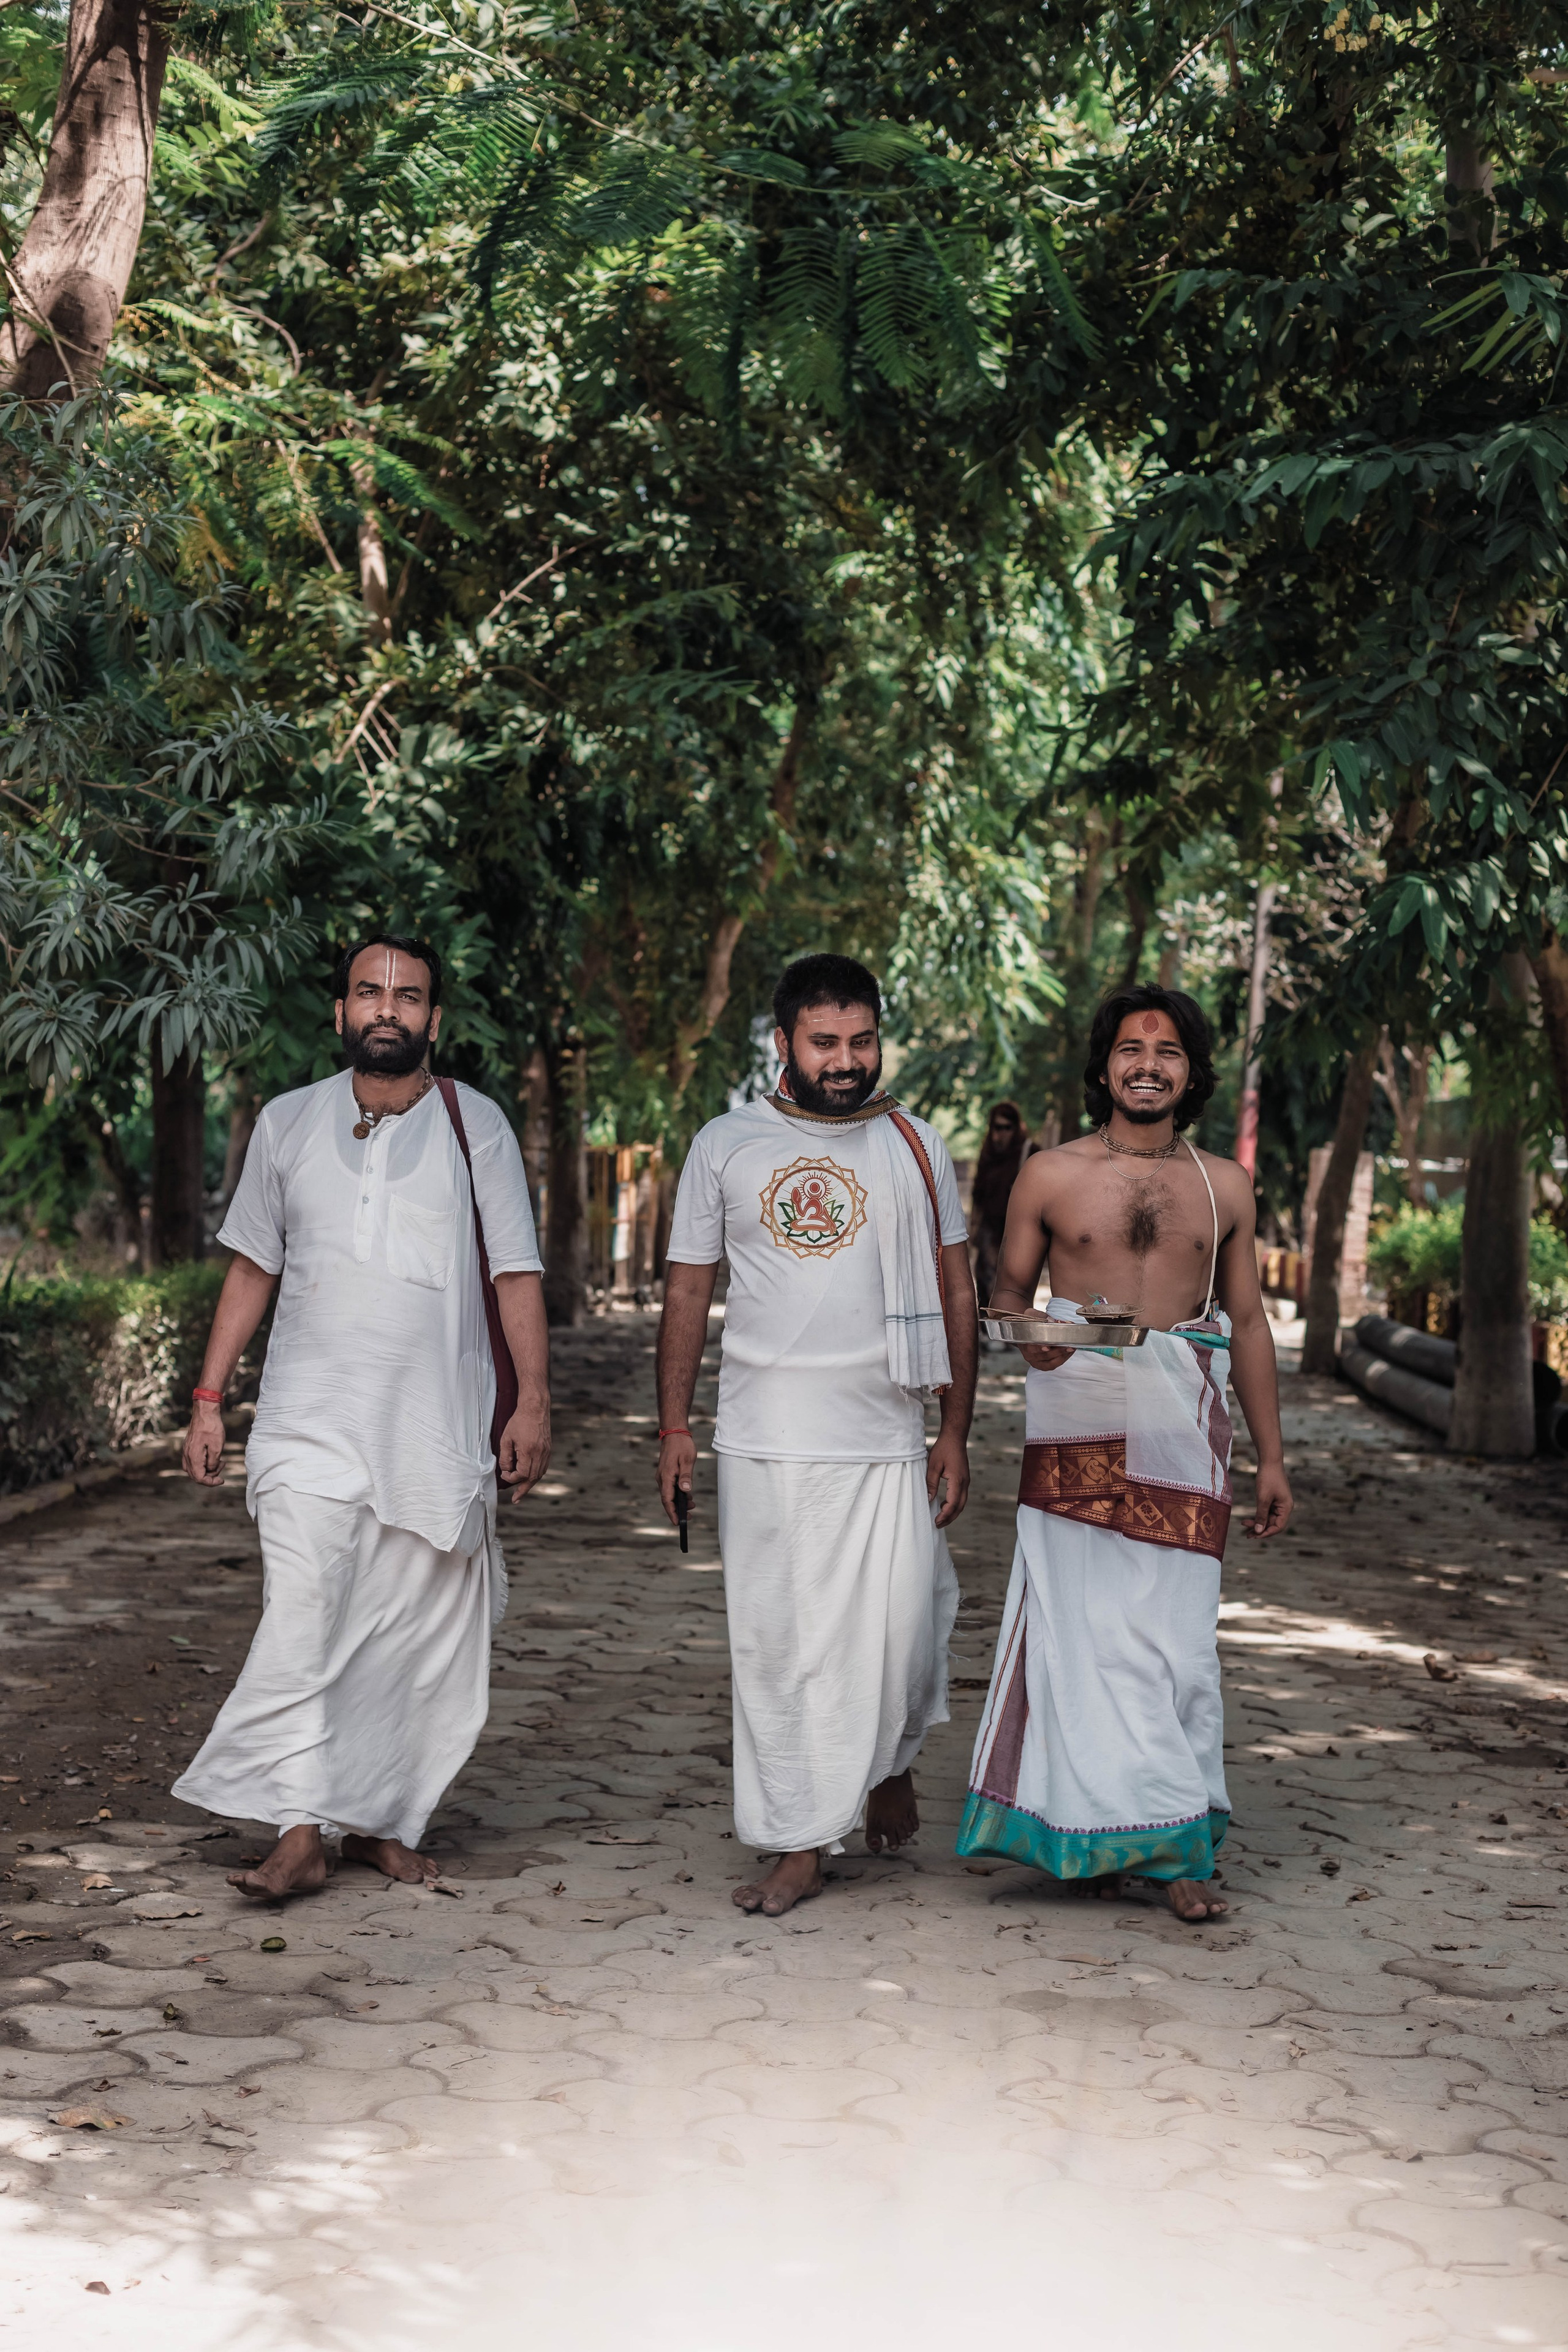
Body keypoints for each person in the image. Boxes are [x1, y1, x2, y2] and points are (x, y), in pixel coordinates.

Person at [174, 935, 551, 1898]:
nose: (389, 1008)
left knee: (408, 1631)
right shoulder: (287, 1123)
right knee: (303, 1616)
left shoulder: (480, 1128)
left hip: (435, 1428)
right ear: (340, 1012)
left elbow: (514, 1273)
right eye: (370, 992)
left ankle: (379, 1816)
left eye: (411, 995)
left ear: (435, 1019)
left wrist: (534, 1403)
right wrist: (210, 1400)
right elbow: (254, 1264)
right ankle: (301, 1830)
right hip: (307, 1423)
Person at [956, 984, 1292, 1924]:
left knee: (1175, 1645)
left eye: (1169, 1051)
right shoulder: (1049, 1176)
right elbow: (1008, 1299)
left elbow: (1251, 1320)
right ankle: (1110, 1843)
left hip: (1184, 1430)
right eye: (1132, 1049)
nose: (1149, 1065)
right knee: (1084, 1638)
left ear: (1191, 1072)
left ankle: (1172, 1837)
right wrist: (1044, 1338)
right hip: (1078, 1419)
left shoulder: (1223, 1184)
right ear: (1104, 1066)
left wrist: (1272, 1455)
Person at [656, 953, 978, 1918]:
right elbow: (687, 1290)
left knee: (907, 1632)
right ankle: (800, 1838)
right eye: (826, 1042)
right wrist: (673, 1424)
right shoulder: (726, 1144)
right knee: (780, 1645)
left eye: (863, 1040)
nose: (847, 1060)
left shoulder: (918, 1147)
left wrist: (955, 1430)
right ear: (785, 1041)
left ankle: (886, 1761)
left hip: (887, 1430)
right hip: (765, 1435)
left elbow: (957, 1288)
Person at [969, 1100, 1032, 1310]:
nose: (1001, 1133)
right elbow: (978, 1193)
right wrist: (974, 1229)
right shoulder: (989, 1154)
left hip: (1018, 1229)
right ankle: (989, 1328)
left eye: (1007, 1127)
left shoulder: (1029, 1152)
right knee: (986, 1277)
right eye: (997, 1127)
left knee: (1014, 1284)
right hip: (990, 1227)